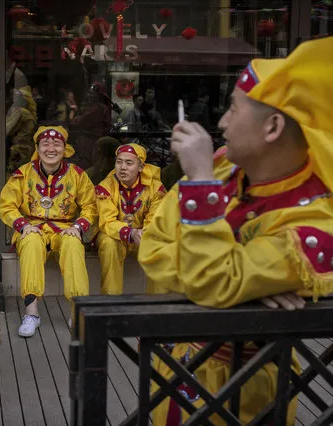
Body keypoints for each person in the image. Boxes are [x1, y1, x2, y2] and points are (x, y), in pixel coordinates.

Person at [138, 37, 333, 424]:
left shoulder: (313, 224)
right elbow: (153, 246)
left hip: (250, 386)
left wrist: (199, 184)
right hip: (178, 366)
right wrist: (240, 288)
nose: (222, 122)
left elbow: (209, 278)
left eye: (232, 109)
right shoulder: (223, 171)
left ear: (273, 126)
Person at [0, 124, 97, 337]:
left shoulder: (77, 175)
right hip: (31, 227)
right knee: (32, 241)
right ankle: (32, 313)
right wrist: (23, 225)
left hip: (64, 228)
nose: (51, 148)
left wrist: (78, 227)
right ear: (38, 148)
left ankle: (77, 312)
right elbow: (6, 205)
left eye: (56, 144)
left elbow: (91, 206)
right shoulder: (22, 174)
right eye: (45, 144)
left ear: (65, 148)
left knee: (72, 243)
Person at [95, 143, 165, 295]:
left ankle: (157, 303)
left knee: (159, 243)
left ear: (141, 167)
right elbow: (107, 221)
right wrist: (130, 232)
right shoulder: (105, 186)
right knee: (108, 243)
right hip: (116, 235)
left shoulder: (156, 188)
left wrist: (144, 233)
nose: (122, 167)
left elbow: (155, 219)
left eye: (129, 163)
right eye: (119, 162)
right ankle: (110, 302)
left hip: (143, 234)